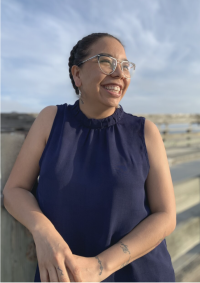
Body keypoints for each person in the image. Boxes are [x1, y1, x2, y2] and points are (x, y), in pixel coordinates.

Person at [3, 32, 176, 282]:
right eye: (106, 61)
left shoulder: (145, 131)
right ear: (77, 74)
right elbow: (14, 190)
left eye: (125, 66)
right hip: (63, 274)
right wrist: (44, 234)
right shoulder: (51, 120)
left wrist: (100, 266)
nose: (119, 73)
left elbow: (166, 216)